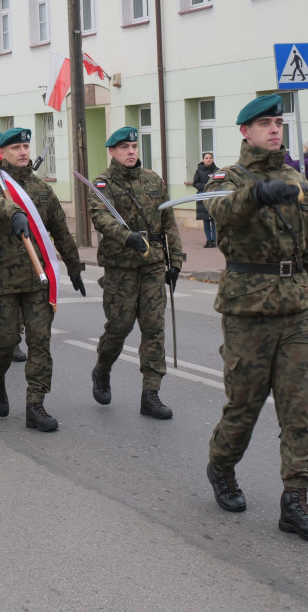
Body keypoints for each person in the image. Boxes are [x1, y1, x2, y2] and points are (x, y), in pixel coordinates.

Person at [204, 94, 308, 542]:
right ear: (245, 132)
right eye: (264, 123)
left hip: (295, 305)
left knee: (297, 408)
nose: (274, 129)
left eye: (278, 121)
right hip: (248, 308)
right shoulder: (225, 177)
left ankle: (295, 501)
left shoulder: (296, 177)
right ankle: (221, 465)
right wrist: (256, 195)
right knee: (245, 405)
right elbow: (221, 214)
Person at [0, 127, 84, 432]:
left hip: (37, 280)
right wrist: (13, 212)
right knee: (8, 342)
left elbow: (61, 231)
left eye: (26, 146)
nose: (23, 152)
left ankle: (35, 405)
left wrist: (74, 267)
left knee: (40, 342)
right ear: (2, 152)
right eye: (16, 148)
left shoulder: (41, 190)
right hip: (1, 281)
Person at [89, 126, 185, 420]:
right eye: (124, 148)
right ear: (112, 152)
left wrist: (176, 259)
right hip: (121, 267)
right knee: (119, 326)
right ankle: (102, 369)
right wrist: (125, 235)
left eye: (134, 146)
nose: (131, 152)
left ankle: (151, 393)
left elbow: (168, 221)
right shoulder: (103, 184)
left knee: (154, 328)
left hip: (153, 265)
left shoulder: (153, 180)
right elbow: (101, 216)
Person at [192, 152, 219, 247]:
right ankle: (208, 240)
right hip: (202, 197)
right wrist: (206, 186)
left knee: (213, 219)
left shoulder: (217, 171)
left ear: (213, 159)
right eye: (206, 158)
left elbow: (220, 183)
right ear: (203, 160)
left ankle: (214, 241)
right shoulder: (199, 171)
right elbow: (195, 183)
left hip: (214, 198)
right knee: (206, 220)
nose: (208, 159)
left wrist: (212, 188)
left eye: (210, 158)